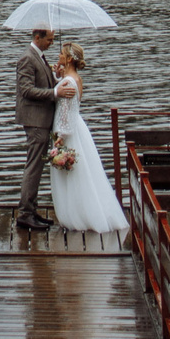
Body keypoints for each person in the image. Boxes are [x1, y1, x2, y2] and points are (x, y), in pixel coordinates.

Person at [45, 40, 130, 234]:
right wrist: (59, 75)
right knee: (85, 173)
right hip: (78, 127)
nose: (57, 57)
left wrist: (61, 137)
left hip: (68, 131)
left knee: (72, 175)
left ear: (68, 59)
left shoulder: (67, 82)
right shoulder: (76, 79)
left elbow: (65, 111)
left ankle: (77, 216)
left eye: (61, 55)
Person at [13, 27, 59, 231]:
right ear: (37, 37)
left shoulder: (39, 57)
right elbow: (27, 90)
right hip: (35, 121)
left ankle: (32, 210)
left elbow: (42, 82)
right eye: (49, 40)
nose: (51, 43)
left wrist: (55, 77)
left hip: (42, 120)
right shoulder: (27, 58)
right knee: (33, 167)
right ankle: (24, 214)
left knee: (37, 167)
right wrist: (55, 92)